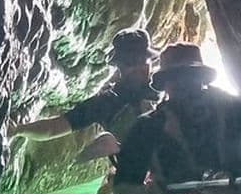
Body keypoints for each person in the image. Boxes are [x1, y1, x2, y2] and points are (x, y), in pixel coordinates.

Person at [112, 42, 241, 194]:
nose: (185, 84)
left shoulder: (231, 107)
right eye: (176, 78)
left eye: (191, 76)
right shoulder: (147, 127)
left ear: (202, 79)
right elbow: (122, 191)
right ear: (166, 84)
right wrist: (148, 193)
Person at [9, 28, 161, 146]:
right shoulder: (105, 103)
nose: (141, 66)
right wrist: (19, 130)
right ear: (120, 66)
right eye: (133, 61)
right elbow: (55, 127)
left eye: (144, 61)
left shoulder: (165, 87)